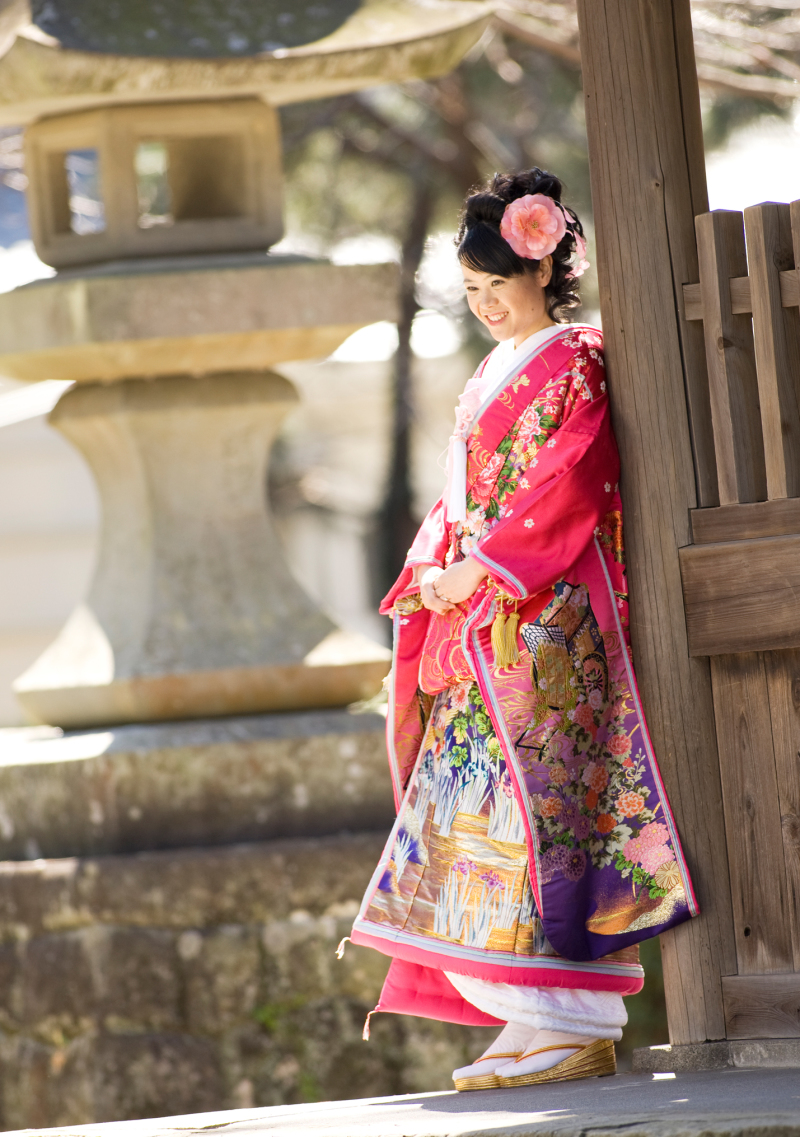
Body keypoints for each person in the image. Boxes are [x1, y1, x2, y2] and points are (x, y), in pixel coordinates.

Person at [346, 168, 698, 1091]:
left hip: (545, 619)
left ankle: (572, 1017)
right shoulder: (489, 372)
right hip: (484, 611)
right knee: (472, 817)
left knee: (542, 810)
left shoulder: (578, 358)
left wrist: (489, 565)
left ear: (545, 272)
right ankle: (530, 1016)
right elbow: (461, 499)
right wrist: (434, 571)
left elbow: (571, 477)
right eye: (471, 291)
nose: (485, 307)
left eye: (497, 287)